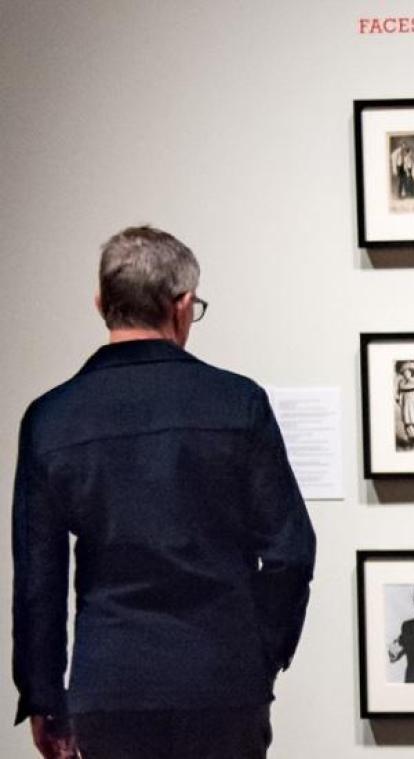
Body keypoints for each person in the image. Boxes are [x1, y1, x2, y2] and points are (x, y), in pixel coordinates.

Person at [12, 226, 316, 758]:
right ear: (182, 305)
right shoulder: (237, 403)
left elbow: (40, 576)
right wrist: (261, 652)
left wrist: (44, 697)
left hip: (111, 682)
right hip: (223, 679)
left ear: (102, 303)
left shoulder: (51, 418)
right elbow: (290, 551)